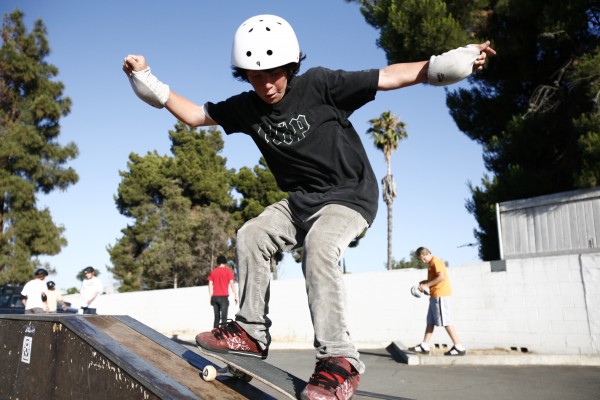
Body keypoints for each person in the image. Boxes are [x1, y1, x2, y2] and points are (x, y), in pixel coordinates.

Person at [122, 14, 494, 399]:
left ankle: (340, 360)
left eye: (274, 73)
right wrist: (147, 78)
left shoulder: (319, 84)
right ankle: (250, 331)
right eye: (254, 75)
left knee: (318, 247)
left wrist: (451, 62)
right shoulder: (247, 107)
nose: (266, 85)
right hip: (300, 201)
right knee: (251, 234)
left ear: (289, 65)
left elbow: (390, 77)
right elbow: (196, 116)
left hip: (349, 196)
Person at [408, 247, 466, 356]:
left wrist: (426, 285)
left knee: (446, 321)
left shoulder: (436, 261)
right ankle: (424, 346)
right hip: (434, 296)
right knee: (430, 321)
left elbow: (441, 277)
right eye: (421, 259)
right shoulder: (431, 264)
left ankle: (459, 347)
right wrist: (425, 282)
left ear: (428, 253)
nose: (423, 260)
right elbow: (435, 279)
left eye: (423, 257)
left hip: (441, 295)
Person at [208, 255, 238, 329]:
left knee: (216, 317)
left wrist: (210, 297)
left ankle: (214, 336)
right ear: (225, 262)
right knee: (224, 318)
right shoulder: (228, 271)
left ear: (217, 262)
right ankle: (222, 336)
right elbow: (231, 283)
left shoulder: (213, 272)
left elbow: (210, 284)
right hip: (223, 297)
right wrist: (235, 295)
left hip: (215, 297)